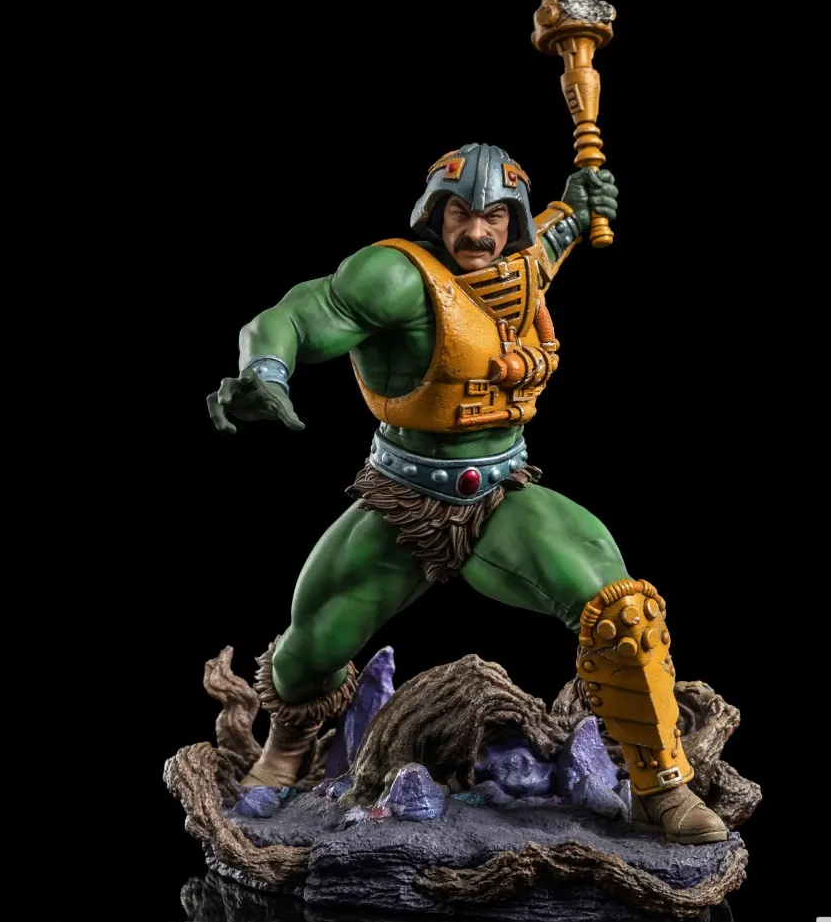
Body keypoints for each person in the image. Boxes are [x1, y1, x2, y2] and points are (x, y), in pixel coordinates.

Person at [207, 143, 727, 844]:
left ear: (513, 221)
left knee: (621, 609)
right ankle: (284, 750)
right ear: (434, 214)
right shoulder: (395, 277)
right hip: (403, 499)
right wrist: (266, 367)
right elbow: (301, 313)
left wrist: (587, 196)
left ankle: (660, 786)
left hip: (500, 497)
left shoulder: (526, 259)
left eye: (494, 217)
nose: (477, 233)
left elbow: (568, 221)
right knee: (308, 648)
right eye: (460, 213)